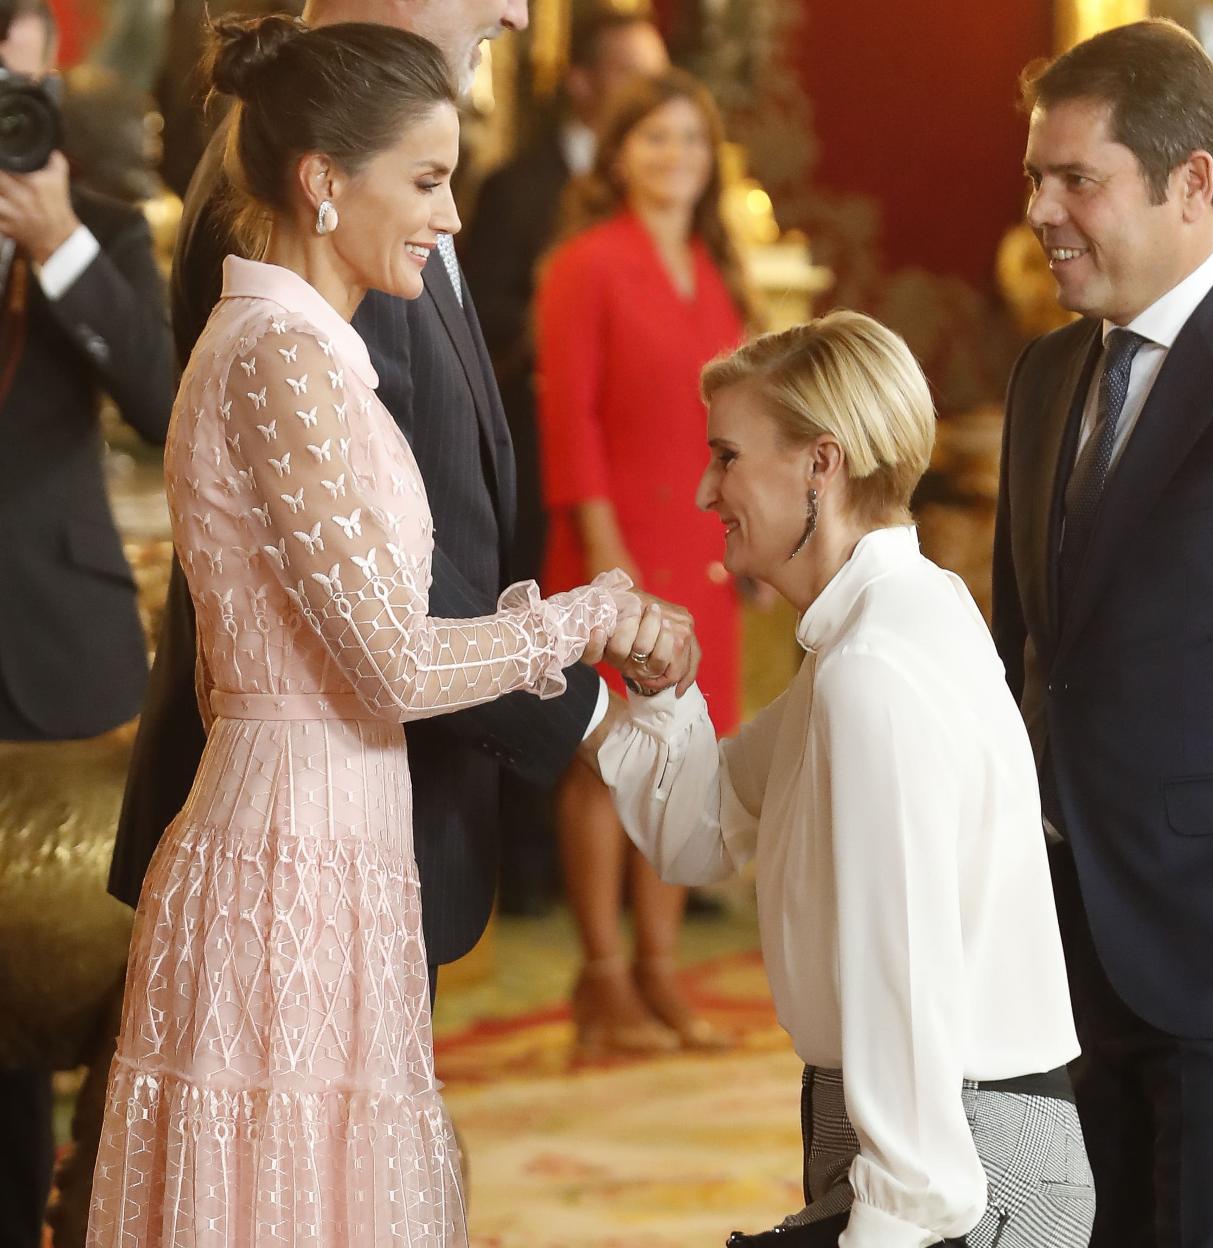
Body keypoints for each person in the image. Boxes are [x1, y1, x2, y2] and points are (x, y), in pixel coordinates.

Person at [84, 17, 654, 1244]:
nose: (452, 218)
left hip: (338, 840)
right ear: (323, 180)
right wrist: (590, 616)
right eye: (429, 181)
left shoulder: (311, 353)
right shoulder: (281, 357)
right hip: (287, 851)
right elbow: (391, 660)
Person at [587, 312, 1092, 1247]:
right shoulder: (878, 632)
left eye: (727, 457)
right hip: (925, 1146)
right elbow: (699, 831)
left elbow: (904, 978)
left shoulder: (874, 670)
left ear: (821, 463)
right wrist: (648, 697)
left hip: (961, 1166)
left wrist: (890, 1219)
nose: (706, 490)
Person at [992, 19, 1213, 1247]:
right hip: (1062, 948)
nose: (1042, 208)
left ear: (1190, 182)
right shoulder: (1048, 374)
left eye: (1076, 179)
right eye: (1037, 177)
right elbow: (1025, 656)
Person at [0, 0, 173, 1242]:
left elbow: (168, 403)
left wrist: (56, 244)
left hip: (57, 648)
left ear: (45, 70)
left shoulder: (105, 229)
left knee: (73, 980)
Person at [535, 67, 748, 1054]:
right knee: (604, 763)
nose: (676, 158)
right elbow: (567, 419)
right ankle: (603, 978)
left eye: (692, 141)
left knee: (685, 759)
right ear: (619, 153)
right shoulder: (585, 263)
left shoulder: (712, 268)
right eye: (655, 138)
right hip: (611, 544)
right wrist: (609, 568)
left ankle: (661, 972)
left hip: (701, 546)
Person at [460, 9, 668, 915]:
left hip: (643, 461)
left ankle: (650, 883)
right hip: (540, 450)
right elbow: (487, 325)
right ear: (582, 81)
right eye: (631, 76)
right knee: (550, 656)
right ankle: (537, 863)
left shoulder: (668, 218)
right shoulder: (519, 188)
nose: (646, 100)